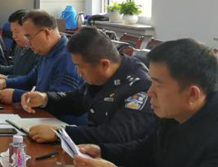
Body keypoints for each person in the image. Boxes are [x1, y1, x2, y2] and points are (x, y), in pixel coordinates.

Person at [73, 39, 218, 167]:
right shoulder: (174, 114)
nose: (150, 92)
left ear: (192, 94)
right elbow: (146, 151)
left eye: (158, 84)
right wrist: (103, 151)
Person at [21, 26, 156, 145]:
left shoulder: (140, 86)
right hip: (93, 151)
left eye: (80, 67)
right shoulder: (102, 75)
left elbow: (117, 134)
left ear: (104, 64)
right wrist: (45, 98)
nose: (78, 72)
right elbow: (76, 100)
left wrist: (60, 134)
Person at [0, 10, 82, 105]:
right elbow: (29, 79)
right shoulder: (46, 52)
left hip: (56, 114)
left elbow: (59, 99)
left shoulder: (68, 57)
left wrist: (16, 95)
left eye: (29, 37)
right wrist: (5, 82)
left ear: (46, 33)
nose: (28, 42)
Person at [0, 9, 39, 78]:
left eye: (16, 32)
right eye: (12, 32)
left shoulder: (38, 52)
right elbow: (15, 69)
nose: (13, 36)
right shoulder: (20, 47)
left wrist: (6, 78)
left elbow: (31, 80)